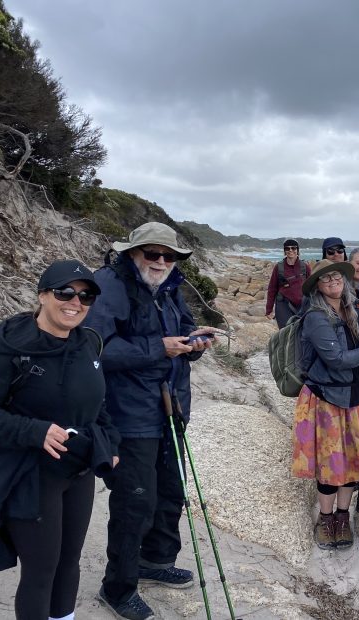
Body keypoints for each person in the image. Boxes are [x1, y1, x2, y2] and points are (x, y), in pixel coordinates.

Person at [0, 259, 120, 620]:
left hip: (77, 470)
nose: (75, 302)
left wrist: (110, 444)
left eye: (86, 296)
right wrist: (34, 431)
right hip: (29, 473)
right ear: (42, 295)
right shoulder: (11, 345)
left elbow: (97, 405)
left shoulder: (88, 342)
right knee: (41, 571)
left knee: (69, 562)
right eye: (65, 291)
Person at [84, 222, 215, 620]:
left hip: (171, 406)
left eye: (168, 255)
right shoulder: (108, 284)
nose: (160, 262)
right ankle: (117, 588)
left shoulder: (172, 286)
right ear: (131, 253)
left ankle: (155, 560)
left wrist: (194, 342)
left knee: (171, 490)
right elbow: (95, 346)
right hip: (128, 411)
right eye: (151, 253)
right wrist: (158, 348)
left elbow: (184, 328)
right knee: (135, 500)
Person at [290, 259, 359, 551]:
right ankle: (325, 519)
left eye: (337, 277)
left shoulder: (349, 310)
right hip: (327, 400)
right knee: (330, 464)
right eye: (326, 279)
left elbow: (356, 352)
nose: (334, 282)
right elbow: (335, 360)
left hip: (355, 395)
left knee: (353, 460)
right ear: (318, 287)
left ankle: (342, 517)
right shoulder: (315, 317)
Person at [266, 238, 311, 328]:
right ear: (284, 251)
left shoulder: (305, 266)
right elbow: (272, 289)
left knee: (303, 332)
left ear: (297, 250)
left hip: (302, 305)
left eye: (293, 248)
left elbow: (312, 287)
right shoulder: (278, 267)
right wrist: (269, 309)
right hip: (283, 305)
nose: (290, 250)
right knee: (285, 332)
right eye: (287, 248)